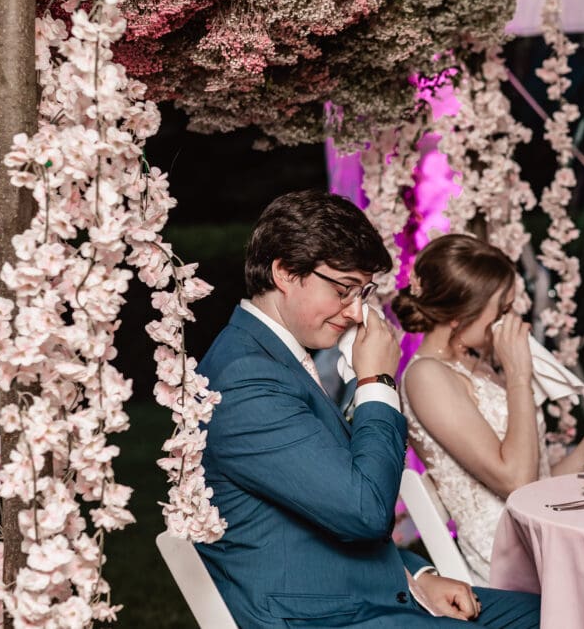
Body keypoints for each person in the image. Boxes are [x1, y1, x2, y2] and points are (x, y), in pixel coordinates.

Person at [195, 191, 540, 628]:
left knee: (560, 610)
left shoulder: (275, 359)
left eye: (363, 292)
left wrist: (418, 575)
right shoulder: (246, 378)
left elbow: (324, 503)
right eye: (342, 290)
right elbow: (364, 512)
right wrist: (376, 382)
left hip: (369, 594)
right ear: (284, 272)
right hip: (328, 618)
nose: (357, 310)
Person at [391, 234, 584, 584]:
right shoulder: (426, 377)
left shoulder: (476, 365)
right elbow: (516, 481)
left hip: (541, 532)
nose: (513, 321)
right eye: (501, 311)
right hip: (510, 559)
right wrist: (518, 375)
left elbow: (531, 475)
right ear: (458, 316)